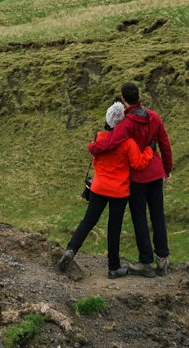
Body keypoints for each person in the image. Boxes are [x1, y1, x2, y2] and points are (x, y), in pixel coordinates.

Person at [58, 101, 156, 279]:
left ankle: (71, 250)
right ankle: (113, 268)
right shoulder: (128, 143)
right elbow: (139, 164)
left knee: (88, 221)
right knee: (114, 227)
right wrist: (149, 149)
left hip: (99, 187)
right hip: (119, 191)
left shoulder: (99, 137)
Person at [88, 82, 172, 274]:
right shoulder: (154, 117)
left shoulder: (126, 124)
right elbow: (165, 144)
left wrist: (93, 147)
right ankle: (162, 258)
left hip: (137, 177)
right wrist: (167, 168)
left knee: (140, 217)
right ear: (139, 97)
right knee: (158, 214)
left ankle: (145, 262)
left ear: (123, 100)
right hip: (156, 172)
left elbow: (108, 143)